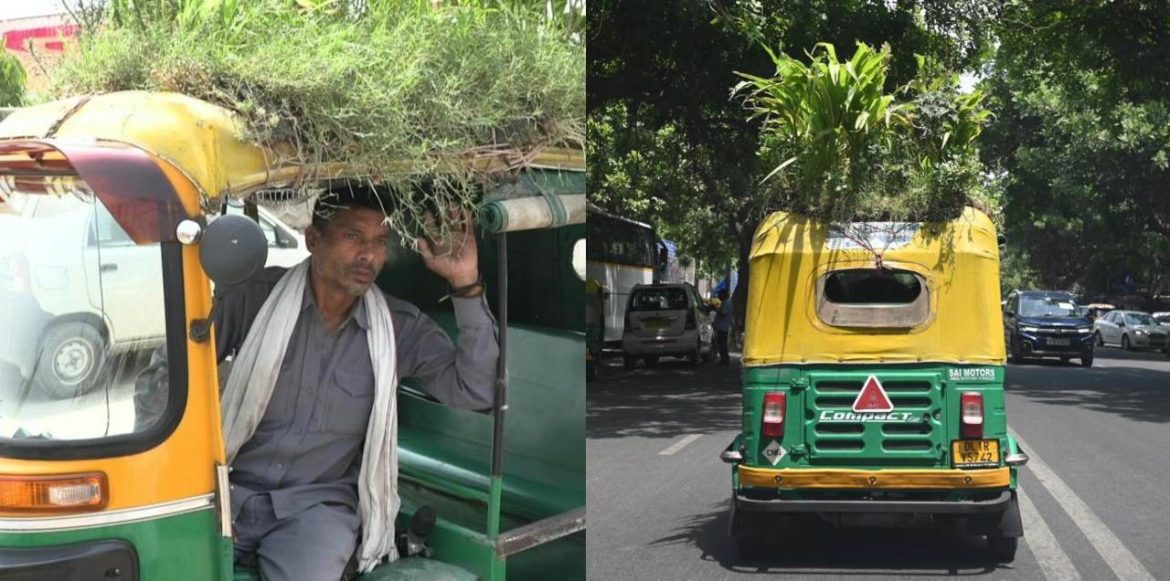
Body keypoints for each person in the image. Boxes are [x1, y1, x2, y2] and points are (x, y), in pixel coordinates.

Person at [139, 185, 499, 580]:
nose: (369, 255)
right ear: (313, 239)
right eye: (352, 237)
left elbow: (476, 390)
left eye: (379, 242)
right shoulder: (251, 298)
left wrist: (466, 284)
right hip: (223, 494)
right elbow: (164, 379)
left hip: (314, 511)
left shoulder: (397, 327)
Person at [714, 288, 732, 366]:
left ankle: (724, 360)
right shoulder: (726, 303)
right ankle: (724, 359)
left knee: (722, 345)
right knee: (722, 344)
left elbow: (723, 313)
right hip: (722, 326)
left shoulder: (726, 303)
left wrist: (716, 310)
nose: (718, 296)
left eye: (720, 295)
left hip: (722, 327)